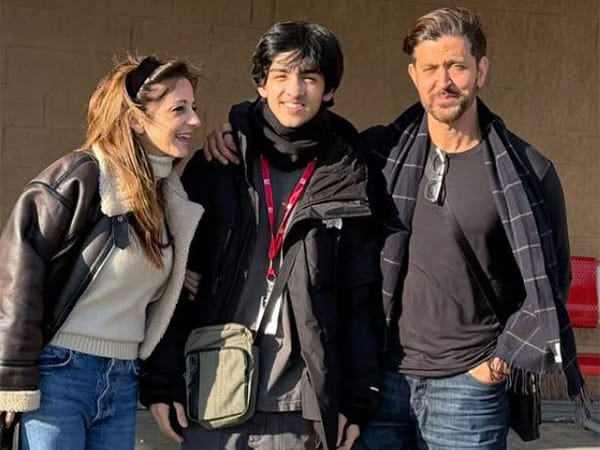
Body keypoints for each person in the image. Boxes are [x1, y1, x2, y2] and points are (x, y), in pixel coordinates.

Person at [203, 7, 589, 450]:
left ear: (481, 71)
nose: (443, 81)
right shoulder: (379, 154)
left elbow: (551, 283)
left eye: (457, 66)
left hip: (469, 388)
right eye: (430, 68)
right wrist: (239, 130)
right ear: (413, 75)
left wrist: (496, 365)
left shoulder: (527, 172)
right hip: (383, 383)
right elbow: (303, 133)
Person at [140, 21, 381, 450]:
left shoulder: (348, 177)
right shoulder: (219, 165)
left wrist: (358, 399)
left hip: (301, 402)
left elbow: (359, 298)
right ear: (261, 84)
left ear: (328, 90)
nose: (294, 90)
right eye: (281, 75)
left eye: (309, 77)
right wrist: (160, 381)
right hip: (212, 388)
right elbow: (176, 281)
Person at [0, 55, 204, 450]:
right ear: (136, 120)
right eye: (179, 109)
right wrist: (13, 378)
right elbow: (18, 272)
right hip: (59, 374)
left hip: (123, 380)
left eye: (193, 107)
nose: (194, 120)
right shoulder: (82, 176)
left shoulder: (168, 199)